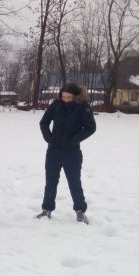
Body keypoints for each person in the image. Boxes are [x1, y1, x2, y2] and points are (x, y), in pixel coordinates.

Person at [37, 82, 96, 223]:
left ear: (76, 96)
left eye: (69, 97)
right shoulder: (56, 104)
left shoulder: (83, 107)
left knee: (74, 182)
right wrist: (49, 138)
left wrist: (74, 140)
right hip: (53, 151)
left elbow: (91, 127)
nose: (65, 99)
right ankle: (47, 209)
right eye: (63, 96)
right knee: (50, 182)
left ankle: (80, 211)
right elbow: (43, 122)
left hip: (72, 153)